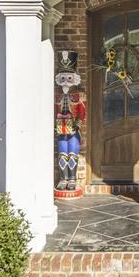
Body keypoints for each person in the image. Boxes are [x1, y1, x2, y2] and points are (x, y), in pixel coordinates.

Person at [55, 51, 87, 195]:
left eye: (69, 78)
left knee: (73, 151)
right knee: (62, 151)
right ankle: (63, 179)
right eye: (63, 77)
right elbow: (53, 110)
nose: (66, 81)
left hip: (73, 127)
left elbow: (82, 111)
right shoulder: (56, 95)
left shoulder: (79, 94)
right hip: (60, 127)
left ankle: (72, 179)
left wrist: (77, 124)